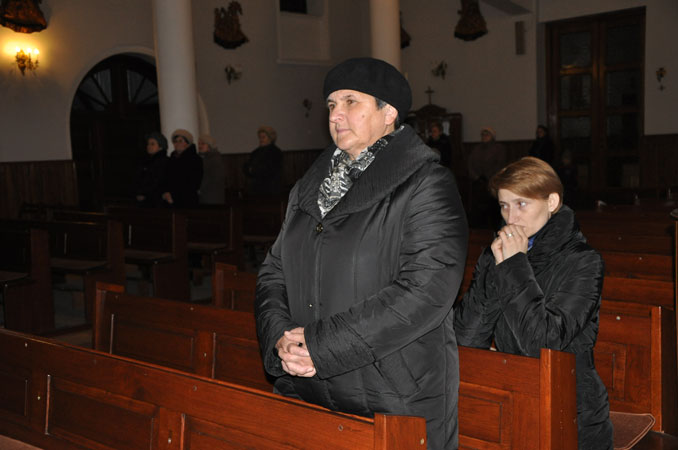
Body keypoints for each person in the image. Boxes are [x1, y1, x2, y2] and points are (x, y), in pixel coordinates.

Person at [255, 57, 468, 449]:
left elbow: (426, 291)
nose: (336, 115)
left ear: (389, 113)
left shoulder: (426, 184)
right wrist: (281, 339)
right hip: (307, 388)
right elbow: (273, 272)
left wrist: (320, 346)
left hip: (393, 394)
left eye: (351, 101)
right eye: (331, 104)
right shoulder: (307, 189)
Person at [454, 156, 613, 450]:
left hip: (571, 411)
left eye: (521, 204)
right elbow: (466, 338)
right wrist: (496, 269)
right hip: (510, 398)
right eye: (504, 205)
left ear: (551, 202)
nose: (511, 217)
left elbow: (542, 344)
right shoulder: (498, 255)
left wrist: (513, 265)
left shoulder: (584, 261)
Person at [467, 126, 506, 228]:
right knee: (479, 208)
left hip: (492, 182)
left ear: (492, 136)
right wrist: (476, 177)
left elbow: (500, 164)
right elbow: (470, 164)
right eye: (483, 135)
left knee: (493, 208)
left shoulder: (499, 148)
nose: (484, 136)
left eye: (487, 134)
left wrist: (491, 177)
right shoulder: (476, 149)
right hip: (478, 182)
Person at [161, 129, 203, 208]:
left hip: (187, 201)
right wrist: (165, 192)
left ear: (188, 143)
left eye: (180, 141)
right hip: (169, 200)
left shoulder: (195, 159)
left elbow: (194, 183)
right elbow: (165, 178)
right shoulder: (171, 159)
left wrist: (174, 196)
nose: (177, 144)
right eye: (175, 141)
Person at [243, 126, 283, 195]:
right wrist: (249, 169)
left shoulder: (276, 152)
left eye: (263, 137)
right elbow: (247, 165)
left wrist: (254, 170)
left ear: (270, 138)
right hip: (256, 188)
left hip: (270, 189)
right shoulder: (256, 152)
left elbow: (270, 169)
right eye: (260, 137)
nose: (261, 139)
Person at [134, 131, 168, 207]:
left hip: (156, 202)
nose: (149, 146)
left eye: (152, 144)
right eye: (148, 144)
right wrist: (138, 193)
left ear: (161, 146)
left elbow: (158, 181)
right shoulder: (145, 161)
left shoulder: (164, 162)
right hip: (143, 201)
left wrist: (144, 193)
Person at [197, 134, 226, 204]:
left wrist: (200, 187)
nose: (200, 146)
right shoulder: (203, 158)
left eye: (203, 144)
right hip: (205, 194)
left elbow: (215, 178)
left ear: (210, 146)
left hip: (212, 195)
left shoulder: (215, 159)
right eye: (199, 144)